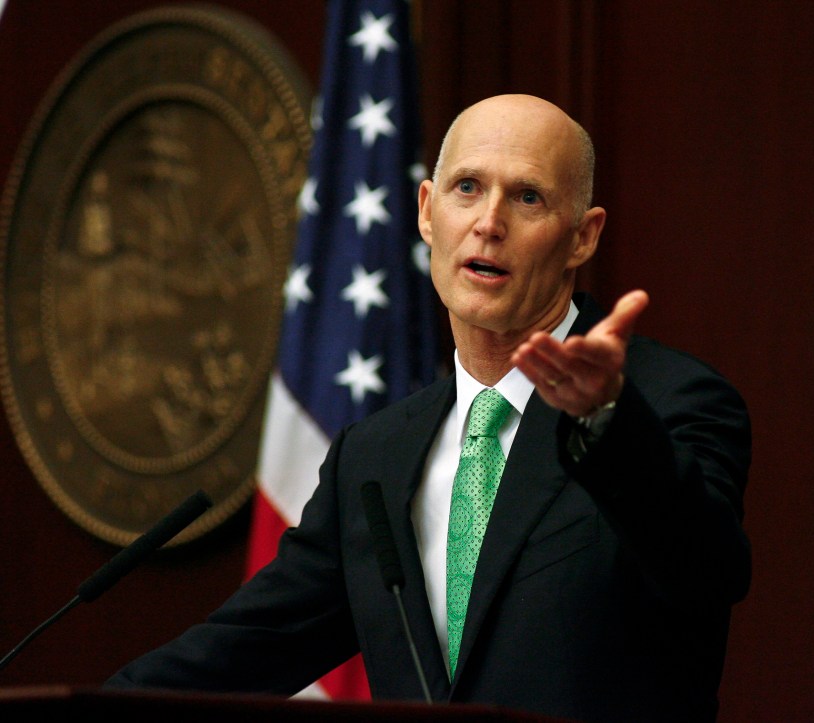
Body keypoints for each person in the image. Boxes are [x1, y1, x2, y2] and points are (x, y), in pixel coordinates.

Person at [105, 94, 751, 723]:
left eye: (527, 197)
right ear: (425, 211)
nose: (489, 221)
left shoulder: (667, 404)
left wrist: (606, 422)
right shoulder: (374, 456)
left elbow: (705, 570)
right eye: (466, 187)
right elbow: (241, 651)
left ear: (583, 237)